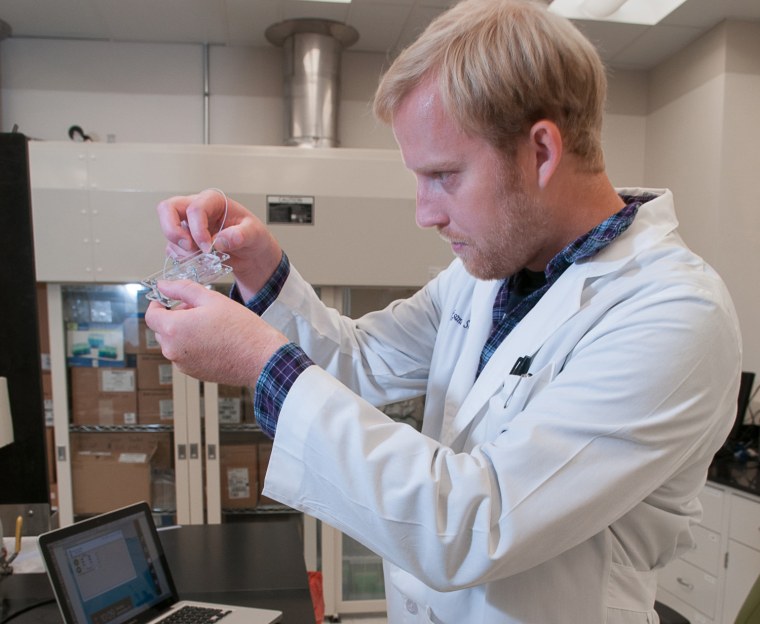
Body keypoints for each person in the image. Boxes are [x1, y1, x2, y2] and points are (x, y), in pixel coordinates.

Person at [144, 0, 742, 621]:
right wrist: (258, 265)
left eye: (444, 175)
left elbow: (474, 523)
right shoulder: (487, 273)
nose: (424, 213)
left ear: (540, 151)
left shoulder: (673, 315)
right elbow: (358, 361)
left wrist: (256, 360)